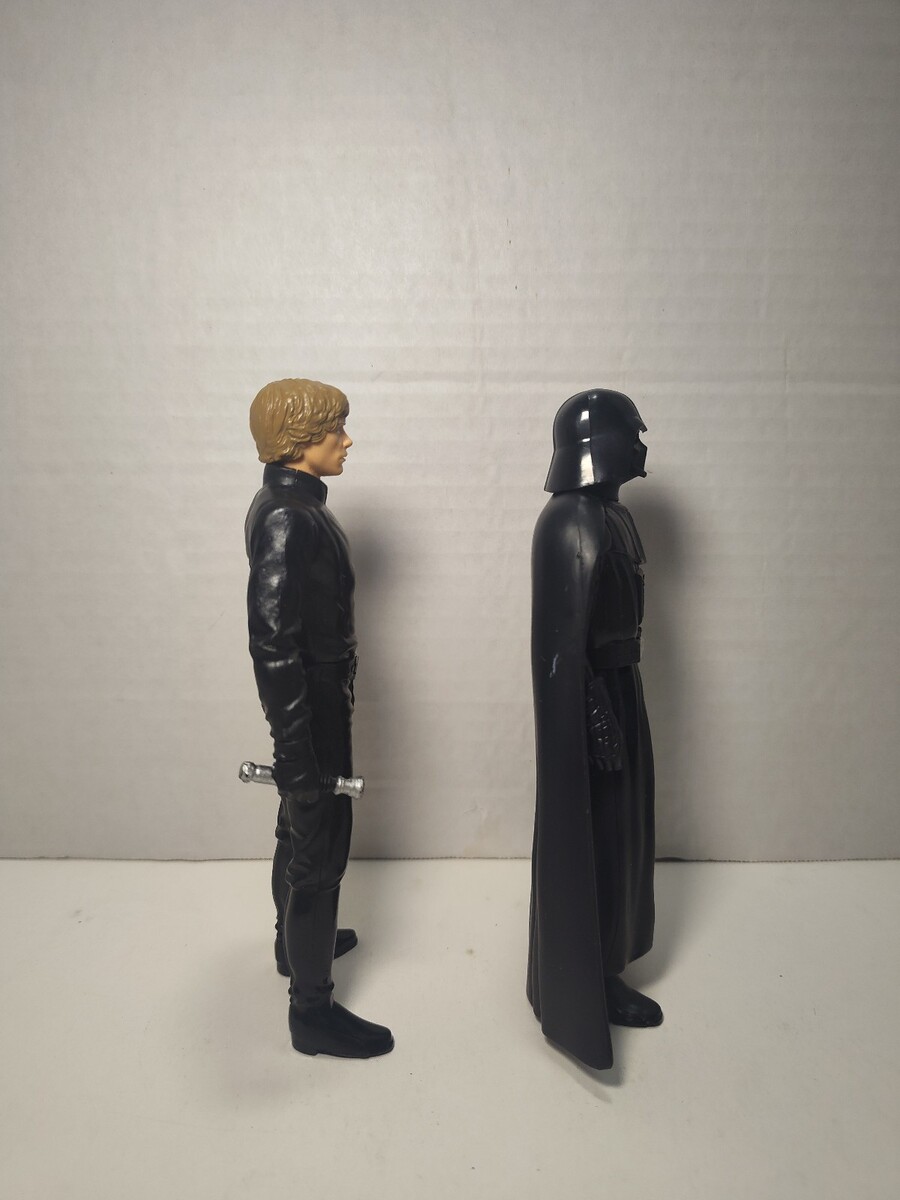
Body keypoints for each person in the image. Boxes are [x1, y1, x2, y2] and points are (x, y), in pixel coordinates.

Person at [245, 378, 393, 1058]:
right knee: (319, 852)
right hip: (313, 708)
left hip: (320, 700)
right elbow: (273, 643)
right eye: (336, 430)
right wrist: (296, 747)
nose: (347, 440)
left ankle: (292, 944)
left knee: (296, 828)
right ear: (301, 440)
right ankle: (311, 1010)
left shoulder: (294, 506)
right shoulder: (287, 516)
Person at [527, 388, 662, 1071]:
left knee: (624, 835)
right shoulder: (570, 521)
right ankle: (593, 981)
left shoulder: (613, 517)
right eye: (630, 433)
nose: (640, 445)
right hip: (596, 697)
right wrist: (593, 713)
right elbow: (563, 646)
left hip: (620, 687)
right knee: (600, 836)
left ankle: (608, 964)